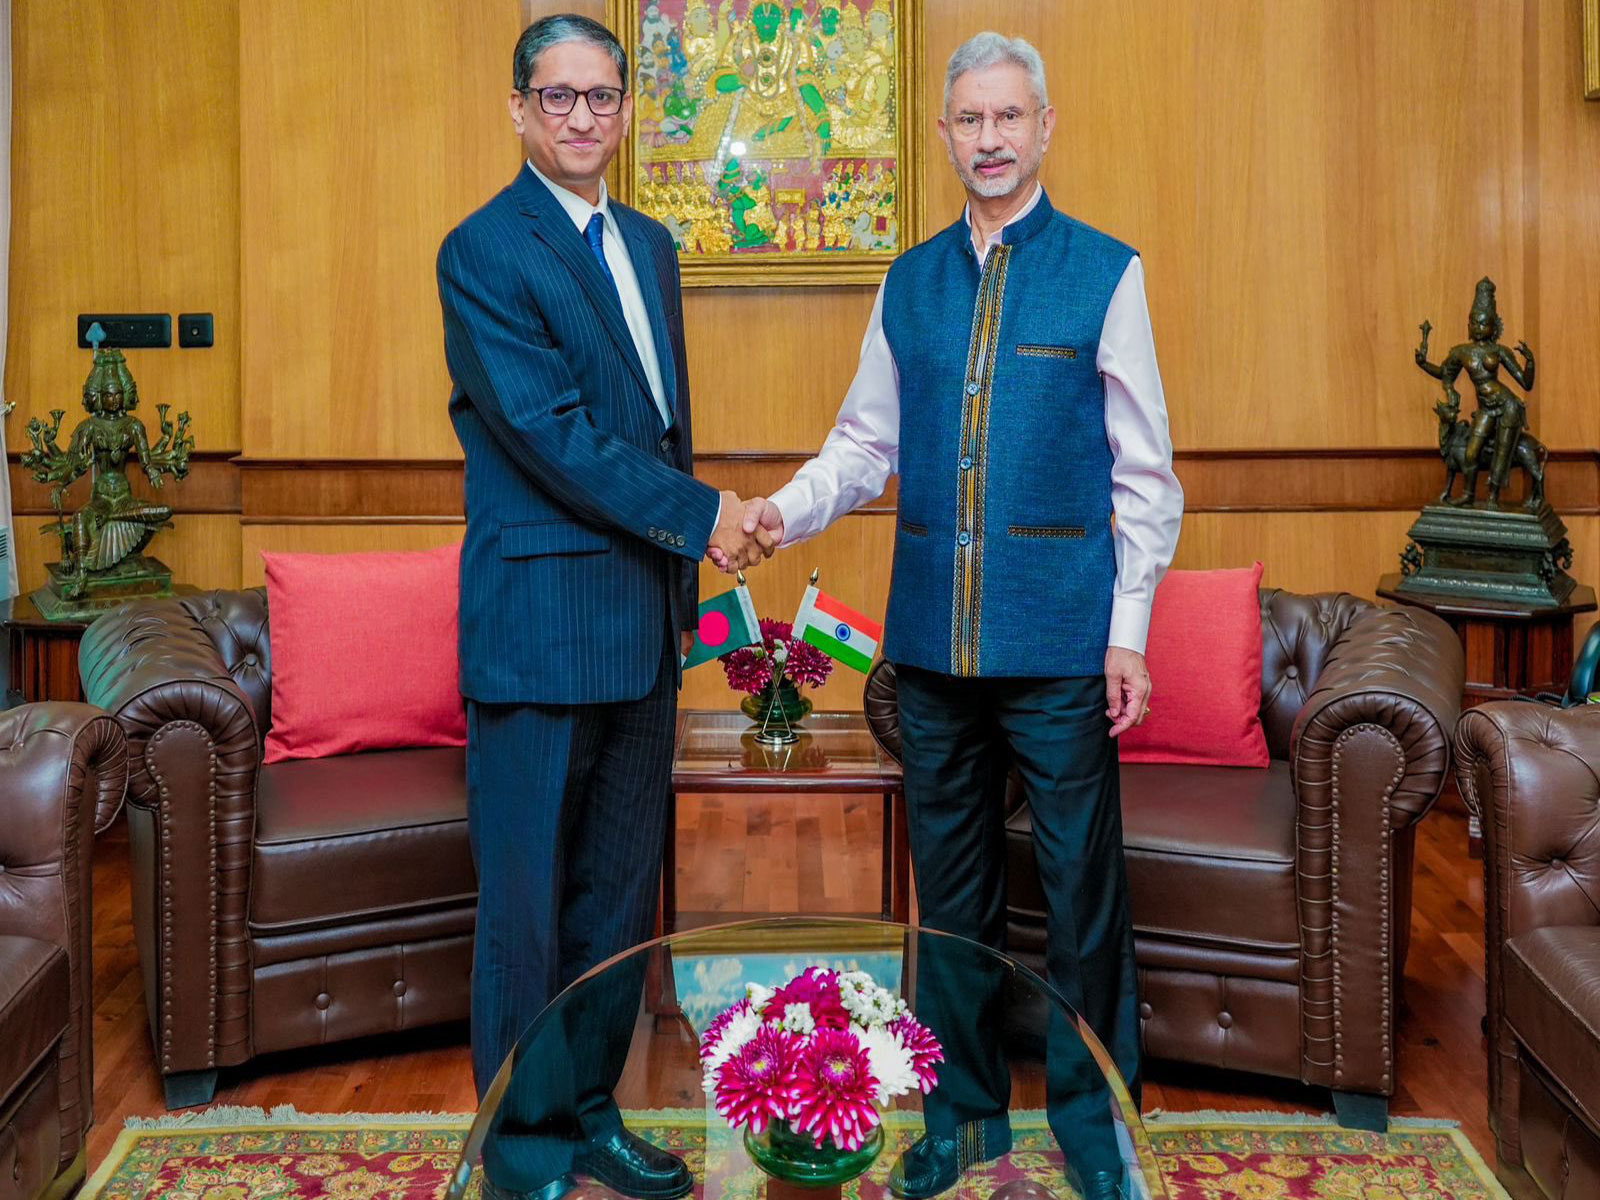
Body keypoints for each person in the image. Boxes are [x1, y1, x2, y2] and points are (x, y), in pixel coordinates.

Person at [721, 31, 1183, 1200]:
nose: (988, 140)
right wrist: (777, 510)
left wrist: (1126, 629)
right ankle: (962, 1120)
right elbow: (865, 443)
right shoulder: (908, 280)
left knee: (1083, 896)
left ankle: (1096, 1130)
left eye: (1007, 118)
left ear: (1044, 125)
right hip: (929, 648)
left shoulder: (1104, 272)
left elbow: (1145, 479)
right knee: (955, 901)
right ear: (943, 135)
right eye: (968, 121)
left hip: (1061, 643)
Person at [436, 14, 772, 1200]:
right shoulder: (482, 249)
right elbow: (552, 437)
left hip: (638, 627)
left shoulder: (652, 243)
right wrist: (705, 513)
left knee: (616, 909)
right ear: (519, 109)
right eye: (557, 96)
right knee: (526, 918)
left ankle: (589, 1118)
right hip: (536, 633)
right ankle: (520, 1155)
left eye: (601, 97)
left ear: (627, 111)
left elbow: (655, 427)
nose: (581, 117)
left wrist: (691, 555)